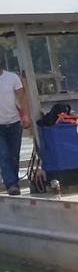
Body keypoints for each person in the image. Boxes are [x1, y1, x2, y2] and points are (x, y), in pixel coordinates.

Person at [0, 60, 31, 196]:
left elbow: (22, 97)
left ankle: (14, 182)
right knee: (3, 155)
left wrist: (25, 115)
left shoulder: (12, 77)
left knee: (13, 155)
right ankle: (11, 184)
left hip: (14, 121)